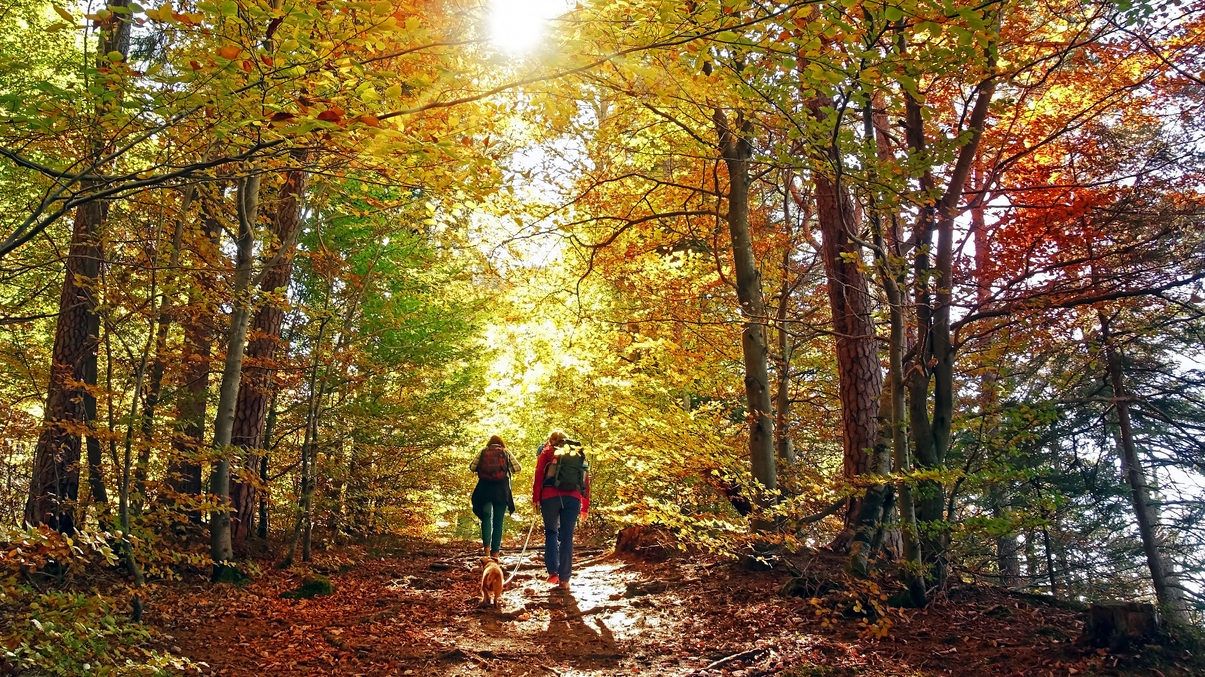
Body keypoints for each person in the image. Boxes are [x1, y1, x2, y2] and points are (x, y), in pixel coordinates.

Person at [533, 430, 590, 590]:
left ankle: (553, 573)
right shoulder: (577, 454)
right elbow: (585, 479)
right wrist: (585, 505)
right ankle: (565, 579)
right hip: (573, 498)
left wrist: (536, 499)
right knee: (567, 536)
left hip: (549, 497)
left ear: (550, 440)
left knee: (551, 532)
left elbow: (538, 476)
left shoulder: (546, 452)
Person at [471, 435, 520, 559]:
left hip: (485, 488)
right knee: (498, 521)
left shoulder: (483, 451)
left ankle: (486, 550)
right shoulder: (505, 452)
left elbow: (472, 467)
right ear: (501, 443)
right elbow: (517, 468)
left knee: (486, 517)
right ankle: (495, 553)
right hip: (501, 489)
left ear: (489, 443)